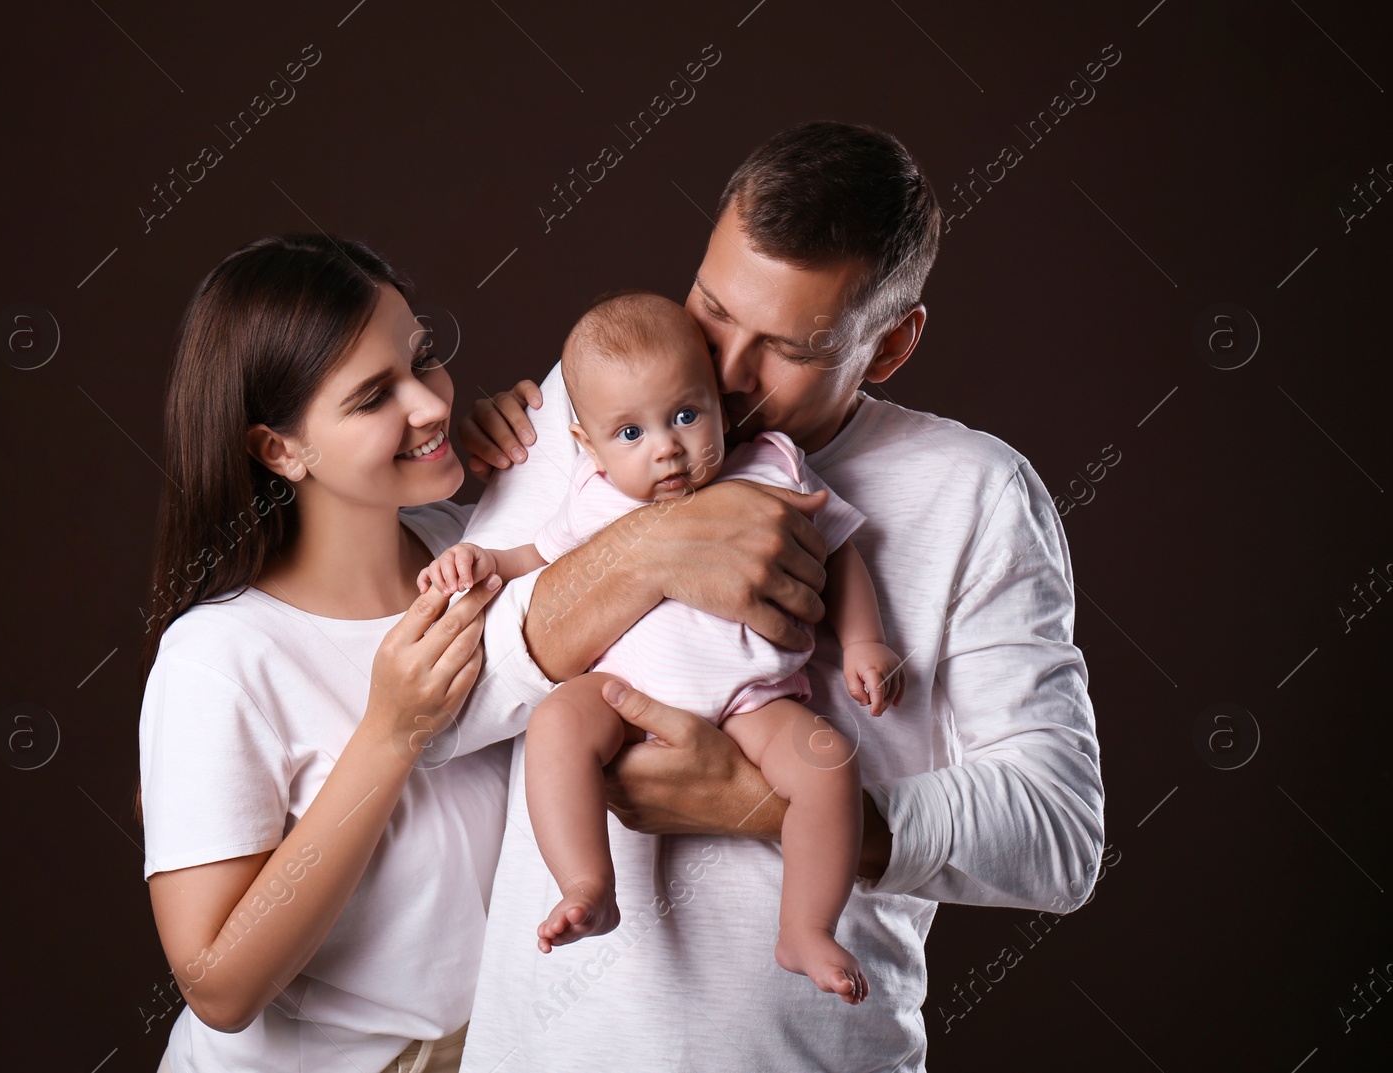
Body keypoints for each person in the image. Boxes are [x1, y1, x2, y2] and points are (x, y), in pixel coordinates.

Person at [453, 121, 1105, 1070]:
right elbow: (425, 713)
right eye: (712, 307)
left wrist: (760, 804)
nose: (718, 371)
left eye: (788, 348)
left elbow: (1059, 837)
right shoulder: (594, 403)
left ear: (888, 348)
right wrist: (648, 552)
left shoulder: (977, 493)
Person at [420, 291, 904, 1002]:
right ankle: (587, 881)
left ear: (719, 401)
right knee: (559, 722)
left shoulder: (771, 464)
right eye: (630, 434)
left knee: (829, 764)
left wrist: (865, 643)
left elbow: (837, 552)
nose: (666, 447)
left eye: (685, 415)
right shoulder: (593, 497)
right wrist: (481, 564)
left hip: (752, 699)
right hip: (623, 691)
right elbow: (536, 559)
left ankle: (805, 926)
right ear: (587, 445)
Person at [136, 234, 533, 1073]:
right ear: (280, 449)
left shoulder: (481, 542)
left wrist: (552, 455)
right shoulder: (220, 655)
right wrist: (390, 736)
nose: (429, 405)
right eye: (371, 398)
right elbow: (217, 985)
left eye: (422, 359)